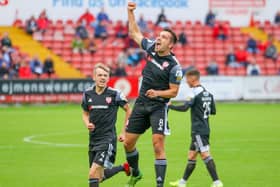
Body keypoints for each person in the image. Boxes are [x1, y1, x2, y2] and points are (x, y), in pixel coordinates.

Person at [124, 2, 183, 187]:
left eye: (164, 37)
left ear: (171, 44)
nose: (158, 38)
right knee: (127, 143)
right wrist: (130, 12)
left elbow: (174, 92)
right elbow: (134, 33)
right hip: (141, 103)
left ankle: (159, 185)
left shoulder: (174, 66)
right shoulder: (151, 47)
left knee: (157, 144)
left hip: (159, 106)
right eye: (159, 36)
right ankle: (136, 173)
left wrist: (157, 92)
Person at [169, 69, 223, 187]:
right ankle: (182, 182)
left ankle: (217, 182)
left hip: (198, 130)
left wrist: (170, 106)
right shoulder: (208, 94)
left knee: (205, 154)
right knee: (192, 155)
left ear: (193, 79)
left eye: (187, 79)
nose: (186, 82)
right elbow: (213, 111)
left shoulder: (193, 93)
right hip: (204, 128)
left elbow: (184, 108)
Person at [81, 63, 132, 187]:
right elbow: (85, 113)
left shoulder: (115, 94)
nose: (102, 78)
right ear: (94, 77)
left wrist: (124, 132)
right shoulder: (87, 94)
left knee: (92, 174)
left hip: (107, 140)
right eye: (100, 75)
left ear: (108, 78)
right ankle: (123, 167)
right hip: (93, 140)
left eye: (105, 75)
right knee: (99, 177)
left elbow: (129, 110)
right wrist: (87, 123)